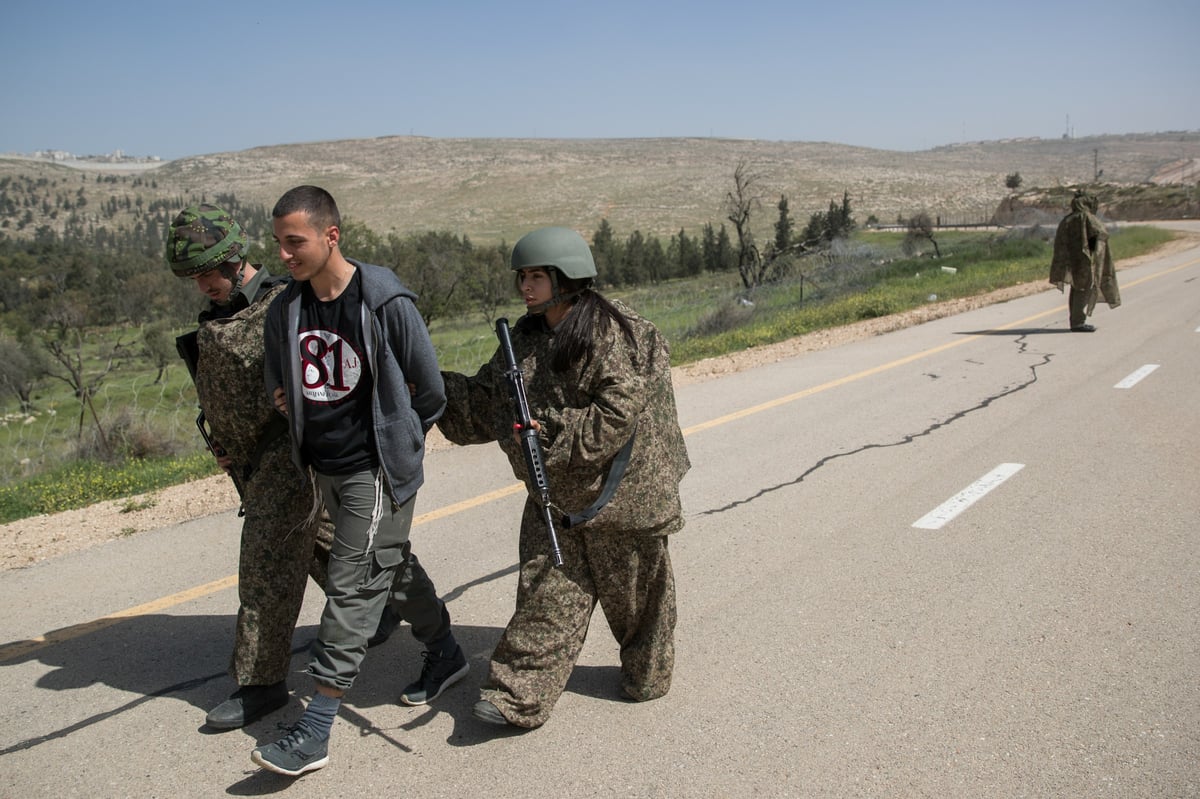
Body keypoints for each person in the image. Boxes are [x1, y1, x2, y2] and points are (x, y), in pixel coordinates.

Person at [436, 226, 690, 729]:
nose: (525, 287)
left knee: (637, 601)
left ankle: (647, 674)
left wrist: (545, 433)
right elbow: (487, 403)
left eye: (536, 276)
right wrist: (425, 386)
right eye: (522, 277)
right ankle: (516, 695)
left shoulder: (619, 334)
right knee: (545, 594)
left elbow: (613, 418)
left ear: (567, 278)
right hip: (555, 498)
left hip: (624, 499)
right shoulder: (527, 341)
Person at [256, 185, 467, 776]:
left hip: (373, 470)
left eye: (294, 242)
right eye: (279, 244)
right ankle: (446, 652)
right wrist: (287, 403)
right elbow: (283, 380)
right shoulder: (286, 308)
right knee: (389, 561)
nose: (285, 255)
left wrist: (398, 442)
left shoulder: (383, 301)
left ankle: (316, 729)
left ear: (331, 235)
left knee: (352, 587)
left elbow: (432, 391)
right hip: (319, 468)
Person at [167, 203, 343, 732]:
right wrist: (224, 442)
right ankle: (403, 611)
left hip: (287, 459)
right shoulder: (220, 316)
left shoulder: (283, 305)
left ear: (234, 258)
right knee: (335, 544)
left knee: (265, 570)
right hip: (246, 460)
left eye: (207, 274)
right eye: (192, 278)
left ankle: (260, 683)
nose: (202, 287)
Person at [1050, 190, 1121, 332]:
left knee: (1076, 289)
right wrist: (1093, 250)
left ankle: (1076, 320)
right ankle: (1078, 322)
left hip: (1071, 261)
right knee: (1084, 288)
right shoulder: (1087, 218)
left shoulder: (1067, 220)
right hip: (1084, 261)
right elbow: (1099, 233)